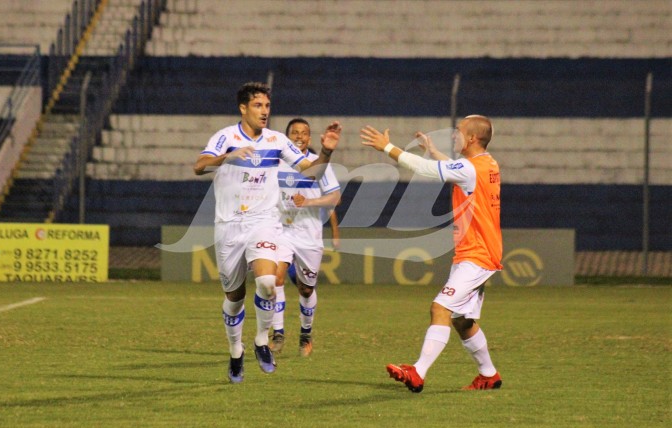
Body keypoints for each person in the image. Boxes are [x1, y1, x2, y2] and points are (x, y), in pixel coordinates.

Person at [193, 82, 341, 383]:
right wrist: (227, 158)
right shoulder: (225, 137)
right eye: (258, 106)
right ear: (243, 108)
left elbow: (310, 171)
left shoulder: (277, 140)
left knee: (267, 281)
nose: (264, 112)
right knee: (234, 297)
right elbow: (199, 166)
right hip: (229, 227)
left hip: (264, 223)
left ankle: (262, 339)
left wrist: (325, 151)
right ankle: (236, 350)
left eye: (267, 106)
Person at [360, 115, 503, 393]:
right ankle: (489, 374)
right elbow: (454, 169)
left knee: (440, 308)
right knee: (463, 320)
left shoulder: (471, 168)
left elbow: (427, 171)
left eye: (458, 131)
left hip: (477, 255)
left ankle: (418, 372)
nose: (453, 135)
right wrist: (434, 152)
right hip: (475, 252)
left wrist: (387, 148)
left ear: (472, 138)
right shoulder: (488, 163)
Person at [270, 118, 342, 356]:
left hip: (309, 236)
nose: (299, 136)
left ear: (309, 139)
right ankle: (277, 334)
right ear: (287, 137)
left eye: (303, 133)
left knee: (306, 289)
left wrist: (309, 202)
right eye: (294, 133)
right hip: (282, 231)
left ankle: (305, 334)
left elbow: (335, 198)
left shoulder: (317, 163)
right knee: (275, 278)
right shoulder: (276, 163)